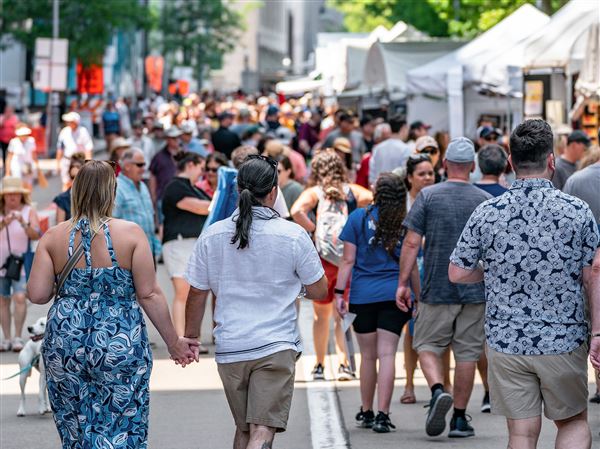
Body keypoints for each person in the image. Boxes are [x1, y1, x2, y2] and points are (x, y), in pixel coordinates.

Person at [449, 119, 600, 449]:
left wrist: (489, 273)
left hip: (507, 341)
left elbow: (457, 272)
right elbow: (594, 274)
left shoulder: (488, 212)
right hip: (564, 337)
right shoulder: (577, 211)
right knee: (572, 422)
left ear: (510, 161)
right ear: (551, 161)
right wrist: (598, 333)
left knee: (521, 434)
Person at [26, 160, 198, 448]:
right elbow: (149, 294)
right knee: (122, 419)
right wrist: (174, 342)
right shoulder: (130, 234)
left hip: (66, 339)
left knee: (75, 423)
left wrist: (71, 287)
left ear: (75, 192)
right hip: (119, 337)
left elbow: (38, 294)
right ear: (111, 193)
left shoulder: (53, 236)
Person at [184, 155, 328, 449]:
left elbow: (197, 292)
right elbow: (319, 290)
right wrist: (293, 288)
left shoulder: (213, 234)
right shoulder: (292, 235)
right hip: (275, 345)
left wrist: (191, 337)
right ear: (274, 192)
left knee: (245, 429)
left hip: (231, 348)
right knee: (262, 430)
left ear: (238, 190)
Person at [397, 137, 491, 439]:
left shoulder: (428, 196)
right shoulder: (483, 200)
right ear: (473, 166)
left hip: (436, 286)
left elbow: (412, 242)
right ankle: (460, 419)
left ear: (444, 164)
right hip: (475, 291)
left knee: (425, 344)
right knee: (467, 354)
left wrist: (402, 283)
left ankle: (438, 390)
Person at [335, 173, 417, 433]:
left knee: (368, 357)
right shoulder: (406, 222)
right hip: (395, 294)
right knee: (388, 354)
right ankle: (383, 414)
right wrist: (418, 296)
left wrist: (339, 293)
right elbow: (411, 263)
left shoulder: (358, 217)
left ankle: (366, 409)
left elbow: (347, 260)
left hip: (363, 295)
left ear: (375, 191)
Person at [291, 149, 372, 381]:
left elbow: (296, 211)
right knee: (342, 314)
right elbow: (374, 201)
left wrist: (315, 230)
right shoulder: (354, 192)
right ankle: (344, 363)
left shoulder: (315, 193)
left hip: (323, 261)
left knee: (321, 315)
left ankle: (319, 365)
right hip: (348, 260)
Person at [162, 152, 211, 348]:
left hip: (191, 244)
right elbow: (200, 207)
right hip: (178, 243)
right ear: (191, 164)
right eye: (201, 167)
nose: (203, 172)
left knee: (192, 293)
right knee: (183, 293)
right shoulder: (175, 186)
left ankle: (190, 338)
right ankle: (181, 339)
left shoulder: (192, 188)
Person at [0, 177, 41, 352]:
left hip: (21, 262)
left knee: (19, 297)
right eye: (9, 194)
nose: (12, 198)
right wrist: (4, 223)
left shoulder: (29, 210)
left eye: (15, 194)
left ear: (21, 195)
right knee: (2, 300)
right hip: (2, 263)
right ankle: (6, 338)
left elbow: (36, 235)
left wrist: (23, 224)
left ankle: (17, 337)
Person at [114, 148, 161, 259]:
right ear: (127, 166)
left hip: (149, 252)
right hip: (129, 254)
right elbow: (111, 222)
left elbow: (150, 216)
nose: (143, 169)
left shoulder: (143, 186)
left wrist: (156, 247)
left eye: (144, 165)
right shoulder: (116, 187)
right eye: (140, 165)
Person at [369, 116, 412, 186]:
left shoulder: (377, 148)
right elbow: (405, 173)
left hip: (379, 189)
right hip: (397, 191)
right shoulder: (406, 149)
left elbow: (372, 175)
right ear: (403, 128)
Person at [56, 112, 93, 191]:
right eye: (68, 122)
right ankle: (65, 201)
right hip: (67, 160)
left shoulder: (83, 131)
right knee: (66, 183)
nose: (69, 123)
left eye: (71, 121)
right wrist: (58, 163)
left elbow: (88, 148)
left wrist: (88, 162)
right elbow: (60, 149)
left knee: (79, 183)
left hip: (79, 161)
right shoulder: (64, 132)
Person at [149, 126, 181, 212]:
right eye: (174, 138)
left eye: (178, 137)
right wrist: (153, 197)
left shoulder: (184, 155)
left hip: (181, 197)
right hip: (163, 197)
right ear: (167, 139)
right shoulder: (158, 157)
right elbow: (152, 177)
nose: (177, 140)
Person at [53, 154, 86, 223]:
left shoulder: (92, 197)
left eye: (79, 178)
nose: (75, 182)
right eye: (73, 178)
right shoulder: (62, 199)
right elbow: (60, 226)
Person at [130, 120, 155, 185]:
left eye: (140, 128)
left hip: (146, 174)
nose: (138, 131)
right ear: (133, 130)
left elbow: (152, 156)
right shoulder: (128, 143)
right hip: (133, 174)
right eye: (136, 128)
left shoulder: (148, 141)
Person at [0, 105, 18, 172]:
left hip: (12, 139)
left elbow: (16, 126)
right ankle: (6, 168)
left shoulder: (14, 118)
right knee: (5, 154)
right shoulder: (2, 117)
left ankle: (11, 167)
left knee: (12, 154)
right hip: (3, 140)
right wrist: (5, 118)